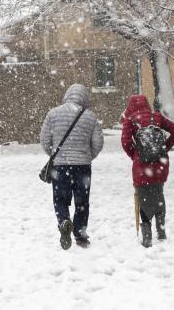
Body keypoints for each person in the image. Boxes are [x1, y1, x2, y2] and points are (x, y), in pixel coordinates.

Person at [40, 84, 104, 250]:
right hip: (83, 166)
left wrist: (54, 154)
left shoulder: (53, 114)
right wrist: (88, 156)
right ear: (84, 99)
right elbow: (98, 143)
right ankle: (80, 234)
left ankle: (63, 221)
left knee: (60, 198)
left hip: (60, 166)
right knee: (82, 201)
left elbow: (45, 140)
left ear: (67, 96)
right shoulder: (90, 117)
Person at [121, 95, 174, 248]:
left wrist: (135, 155)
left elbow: (126, 142)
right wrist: (163, 148)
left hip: (141, 167)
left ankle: (147, 236)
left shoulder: (130, 121)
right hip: (160, 165)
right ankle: (161, 232)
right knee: (158, 194)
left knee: (143, 198)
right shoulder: (157, 117)